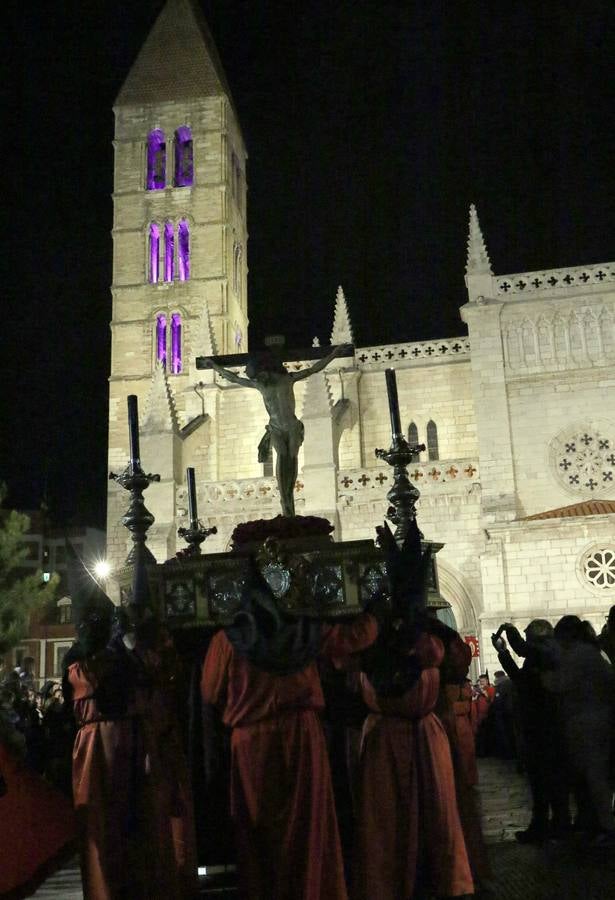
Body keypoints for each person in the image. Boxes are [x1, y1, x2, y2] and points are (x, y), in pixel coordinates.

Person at [201, 560, 377, 900]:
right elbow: (351, 638)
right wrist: (375, 617)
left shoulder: (227, 641)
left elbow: (210, 692)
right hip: (301, 738)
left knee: (259, 834)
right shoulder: (303, 632)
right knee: (307, 829)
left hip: (250, 744)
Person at [353, 521, 473, 900]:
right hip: (397, 737)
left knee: (424, 818)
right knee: (395, 820)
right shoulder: (401, 635)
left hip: (408, 735)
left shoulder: (397, 634)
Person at [202, 343, 351, 516]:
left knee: (292, 458)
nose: (257, 379)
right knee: (281, 455)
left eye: (258, 375)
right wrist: (213, 366)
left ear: (265, 370)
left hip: (292, 426)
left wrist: (333, 354)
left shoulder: (287, 379)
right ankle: (285, 497)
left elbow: (314, 369)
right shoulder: (260, 385)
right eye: (255, 377)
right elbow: (234, 379)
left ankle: (289, 492)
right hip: (276, 427)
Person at [492, 620, 570, 842]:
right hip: (540, 723)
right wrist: (503, 652)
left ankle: (552, 825)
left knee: (546, 778)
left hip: (546, 724)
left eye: (528, 636)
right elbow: (520, 679)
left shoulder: (547, 650)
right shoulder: (541, 655)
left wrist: (509, 630)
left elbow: (523, 650)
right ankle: (549, 824)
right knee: (542, 779)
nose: (526, 641)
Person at [544, 614, 615, 843]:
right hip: (596, 719)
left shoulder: (579, 654)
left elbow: (560, 683)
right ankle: (599, 823)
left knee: (595, 777)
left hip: (587, 722)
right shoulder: (591, 652)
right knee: (596, 775)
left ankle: (607, 827)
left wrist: (542, 675)